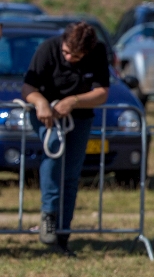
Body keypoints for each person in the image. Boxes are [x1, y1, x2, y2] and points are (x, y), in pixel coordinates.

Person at [22, 22, 110, 256]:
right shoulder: (47, 49)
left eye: (76, 55)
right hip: (46, 117)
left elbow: (101, 93)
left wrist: (74, 101)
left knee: (71, 174)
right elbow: (28, 87)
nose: (70, 58)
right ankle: (48, 215)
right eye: (66, 52)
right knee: (53, 151)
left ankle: (63, 233)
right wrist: (40, 102)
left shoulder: (98, 52)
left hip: (79, 118)